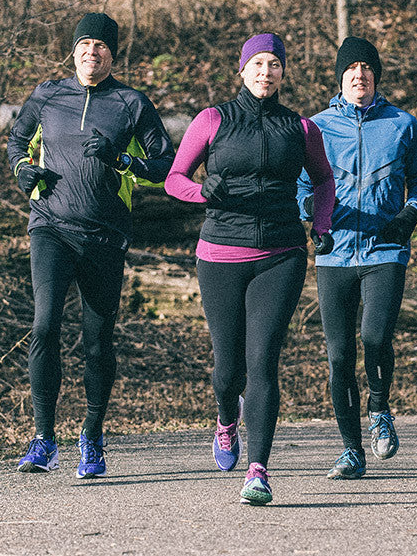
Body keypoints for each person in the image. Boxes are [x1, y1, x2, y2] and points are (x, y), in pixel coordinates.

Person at [164, 33, 335, 504]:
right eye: (257, 63)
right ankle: (225, 420)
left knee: (262, 363)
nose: (266, 72)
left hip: (281, 254)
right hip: (220, 254)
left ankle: (258, 470)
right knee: (228, 368)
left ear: (283, 72)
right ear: (242, 70)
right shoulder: (213, 119)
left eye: (274, 64)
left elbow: (323, 180)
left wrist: (321, 224)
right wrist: (204, 194)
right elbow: (174, 179)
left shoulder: (300, 128)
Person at [7, 12, 175, 479]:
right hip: (50, 227)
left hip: (104, 235)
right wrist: (23, 169)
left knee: (98, 341)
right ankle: (43, 439)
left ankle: (93, 437)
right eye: (84, 44)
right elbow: (17, 139)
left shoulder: (130, 103)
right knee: (44, 325)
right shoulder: (47, 94)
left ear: (112, 54)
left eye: (100, 46)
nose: (91, 52)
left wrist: (122, 159)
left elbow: (165, 164)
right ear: (74, 49)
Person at [297, 36, 417, 480]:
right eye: (351, 69)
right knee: (338, 356)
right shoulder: (316, 127)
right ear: (340, 77)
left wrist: (409, 215)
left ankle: (379, 406)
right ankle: (351, 450)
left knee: (374, 340)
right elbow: (302, 186)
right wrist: (313, 221)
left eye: (367, 69)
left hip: (385, 250)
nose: (360, 75)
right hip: (334, 254)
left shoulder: (401, 124)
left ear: (376, 76)